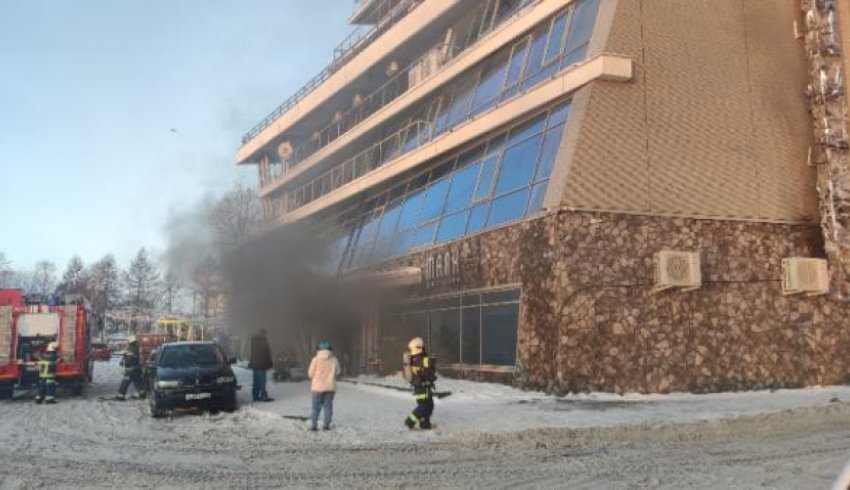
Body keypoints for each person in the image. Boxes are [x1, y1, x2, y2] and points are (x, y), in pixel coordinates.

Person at [403, 337, 436, 430]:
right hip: (421, 387)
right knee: (423, 407)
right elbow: (424, 372)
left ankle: (425, 424)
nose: (424, 348)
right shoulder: (418, 359)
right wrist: (430, 364)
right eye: (422, 346)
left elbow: (427, 372)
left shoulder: (419, 358)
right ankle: (409, 421)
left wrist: (431, 364)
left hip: (425, 386)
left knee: (429, 406)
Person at [307, 340, 341, 431]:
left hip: (317, 388)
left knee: (315, 408)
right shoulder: (334, 360)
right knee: (328, 407)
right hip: (330, 387)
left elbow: (310, 374)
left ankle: (314, 426)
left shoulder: (315, 359)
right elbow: (338, 372)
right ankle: (326, 425)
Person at [117, 336, 147, 400]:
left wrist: (125, 359)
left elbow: (129, 360)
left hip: (130, 370)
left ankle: (121, 396)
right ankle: (142, 394)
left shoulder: (130, 349)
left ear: (130, 342)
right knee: (139, 382)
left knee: (125, 382)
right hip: (137, 369)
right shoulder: (137, 348)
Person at [249, 329, 273, 402]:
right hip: (262, 365)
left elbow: (253, 354)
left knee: (256, 381)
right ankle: (264, 396)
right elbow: (265, 354)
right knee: (262, 381)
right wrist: (269, 363)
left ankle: (255, 396)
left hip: (255, 365)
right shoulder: (262, 342)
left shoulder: (254, 342)